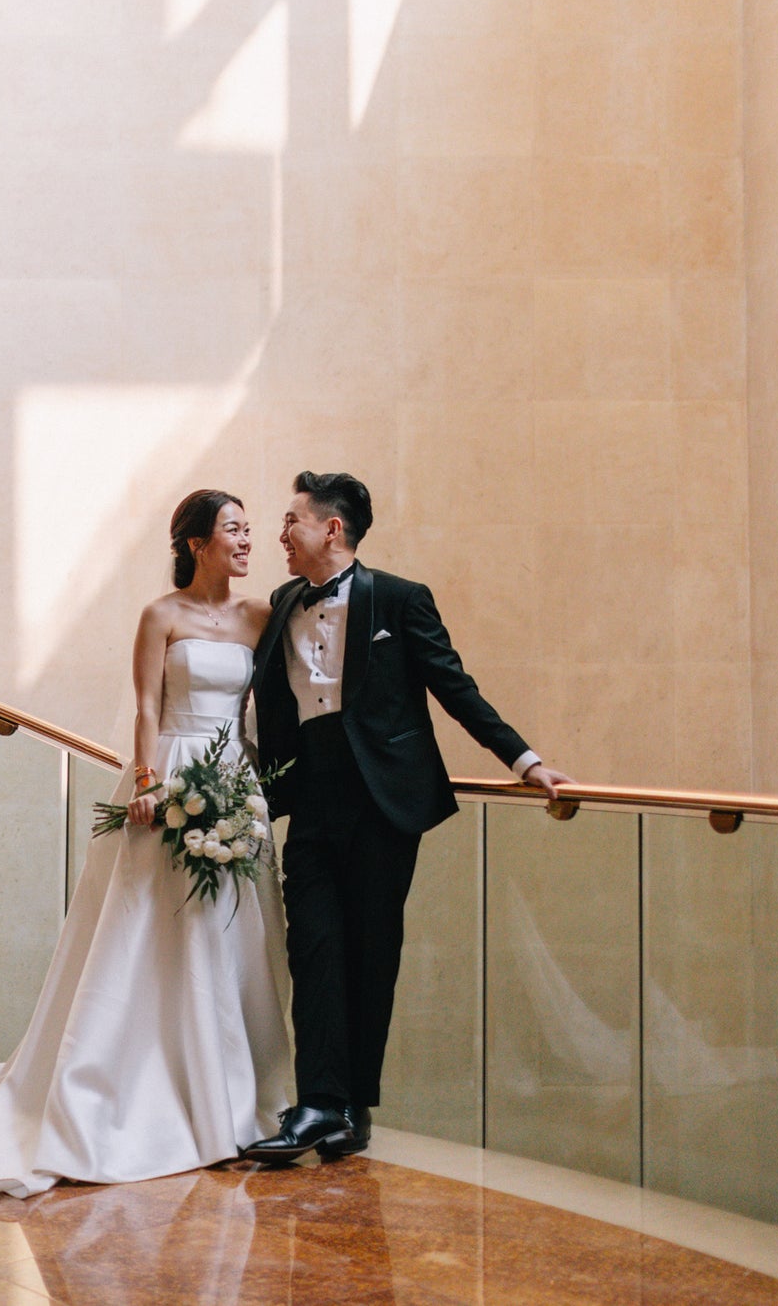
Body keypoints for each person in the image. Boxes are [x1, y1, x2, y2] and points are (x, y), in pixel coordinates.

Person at [0, 490, 290, 1202]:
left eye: (248, 529)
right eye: (233, 529)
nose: (246, 540)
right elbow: (146, 704)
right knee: (151, 935)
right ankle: (138, 1091)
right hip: (170, 775)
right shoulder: (161, 615)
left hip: (235, 779)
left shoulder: (260, 615)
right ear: (197, 542)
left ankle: (234, 1099)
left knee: (229, 937)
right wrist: (147, 782)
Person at [241, 471, 572, 1164]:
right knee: (314, 950)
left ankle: (350, 1106)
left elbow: (456, 688)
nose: (281, 535)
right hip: (310, 799)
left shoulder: (398, 598)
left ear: (332, 528)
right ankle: (317, 1101)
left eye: (291, 520)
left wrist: (526, 761)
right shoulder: (280, 602)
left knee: (371, 952)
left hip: (383, 803)